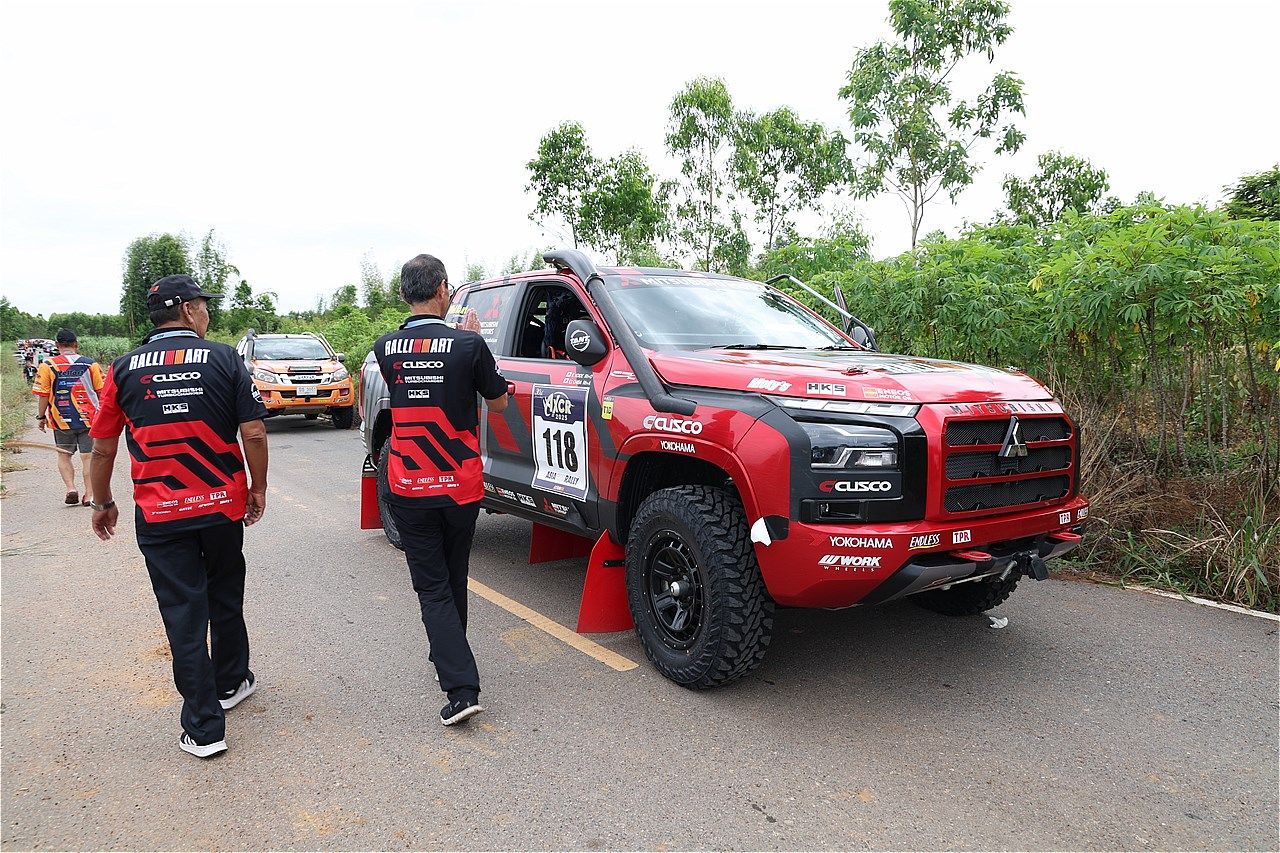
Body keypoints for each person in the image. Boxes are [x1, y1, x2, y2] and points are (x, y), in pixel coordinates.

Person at [88, 274, 270, 759]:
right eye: (204, 306)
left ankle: (205, 727)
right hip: (220, 507)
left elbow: (103, 447)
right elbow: (252, 432)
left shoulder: (123, 368)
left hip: (162, 512)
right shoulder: (226, 358)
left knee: (183, 613)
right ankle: (231, 683)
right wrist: (258, 487)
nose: (208, 314)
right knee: (226, 593)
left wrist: (102, 500)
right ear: (188, 311)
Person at [373, 253, 509, 727]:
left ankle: (458, 681)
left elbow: (411, 386)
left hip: (409, 484)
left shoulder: (384, 346)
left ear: (404, 294)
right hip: (460, 485)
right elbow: (498, 398)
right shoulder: (469, 344)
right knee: (453, 577)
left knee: (433, 587)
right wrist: (471, 341)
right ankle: (455, 670)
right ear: (443, 288)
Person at [32, 328, 106, 506]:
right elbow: (102, 391)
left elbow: (43, 395)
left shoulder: (48, 366)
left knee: (64, 455)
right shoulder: (90, 365)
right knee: (88, 457)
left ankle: (71, 488)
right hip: (89, 418)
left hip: (61, 419)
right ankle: (89, 495)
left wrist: (41, 417)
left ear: (57, 345)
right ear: (76, 344)